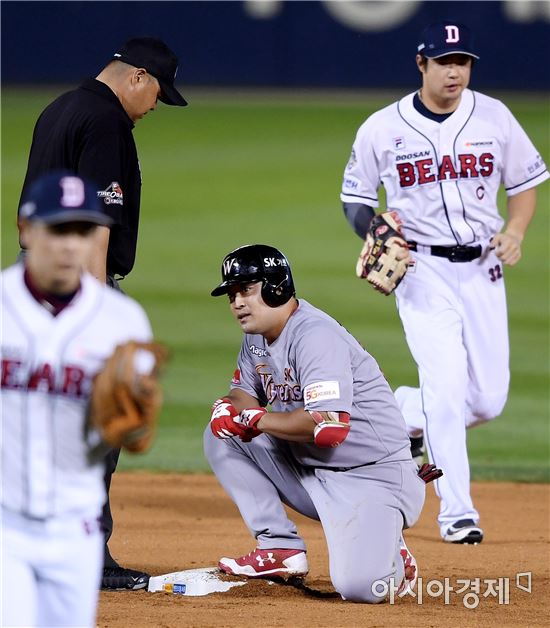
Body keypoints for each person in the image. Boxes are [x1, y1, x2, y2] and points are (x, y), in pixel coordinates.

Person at [340, 21, 549, 544]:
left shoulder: (494, 116)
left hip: (484, 270)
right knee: (447, 389)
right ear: (421, 64)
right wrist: (377, 232)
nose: (455, 71)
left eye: (463, 61)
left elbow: (524, 184)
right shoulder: (382, 128)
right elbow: (355, 199)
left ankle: (395, 414)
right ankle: (457, 511)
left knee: (487, 401)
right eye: (444, 62)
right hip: (422, 271)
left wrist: (517, 230)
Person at [16, 36, 187, 589]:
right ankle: (86, 555)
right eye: (158, 92)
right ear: (137, 77)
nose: (156, 105)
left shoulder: (60, 108)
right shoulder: (106, 120)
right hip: (74, 287)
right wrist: (95, 312)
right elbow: (95, 227)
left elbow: (27, 220)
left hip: (32, 278)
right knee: (95, 424)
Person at [204, 244, 426, 603]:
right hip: (313, 475)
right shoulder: (256, 339)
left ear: (276, 286)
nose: (236, 303)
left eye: (245, 289)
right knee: (223, 434)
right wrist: (231, 409)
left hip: (373, 478)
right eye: (231, 294)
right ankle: (279, 547)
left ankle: (391, 551)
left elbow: (329, 428)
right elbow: (244, 392)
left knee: (361, 589)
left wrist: (259, 419)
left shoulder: (315, 335)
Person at [1, 172, 155, 626]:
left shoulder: (121, 321)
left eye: (84, 230)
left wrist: (131, 418)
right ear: (27, 230)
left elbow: (129, 431)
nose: (71, 245)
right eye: (59, 229)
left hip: (76, 534)